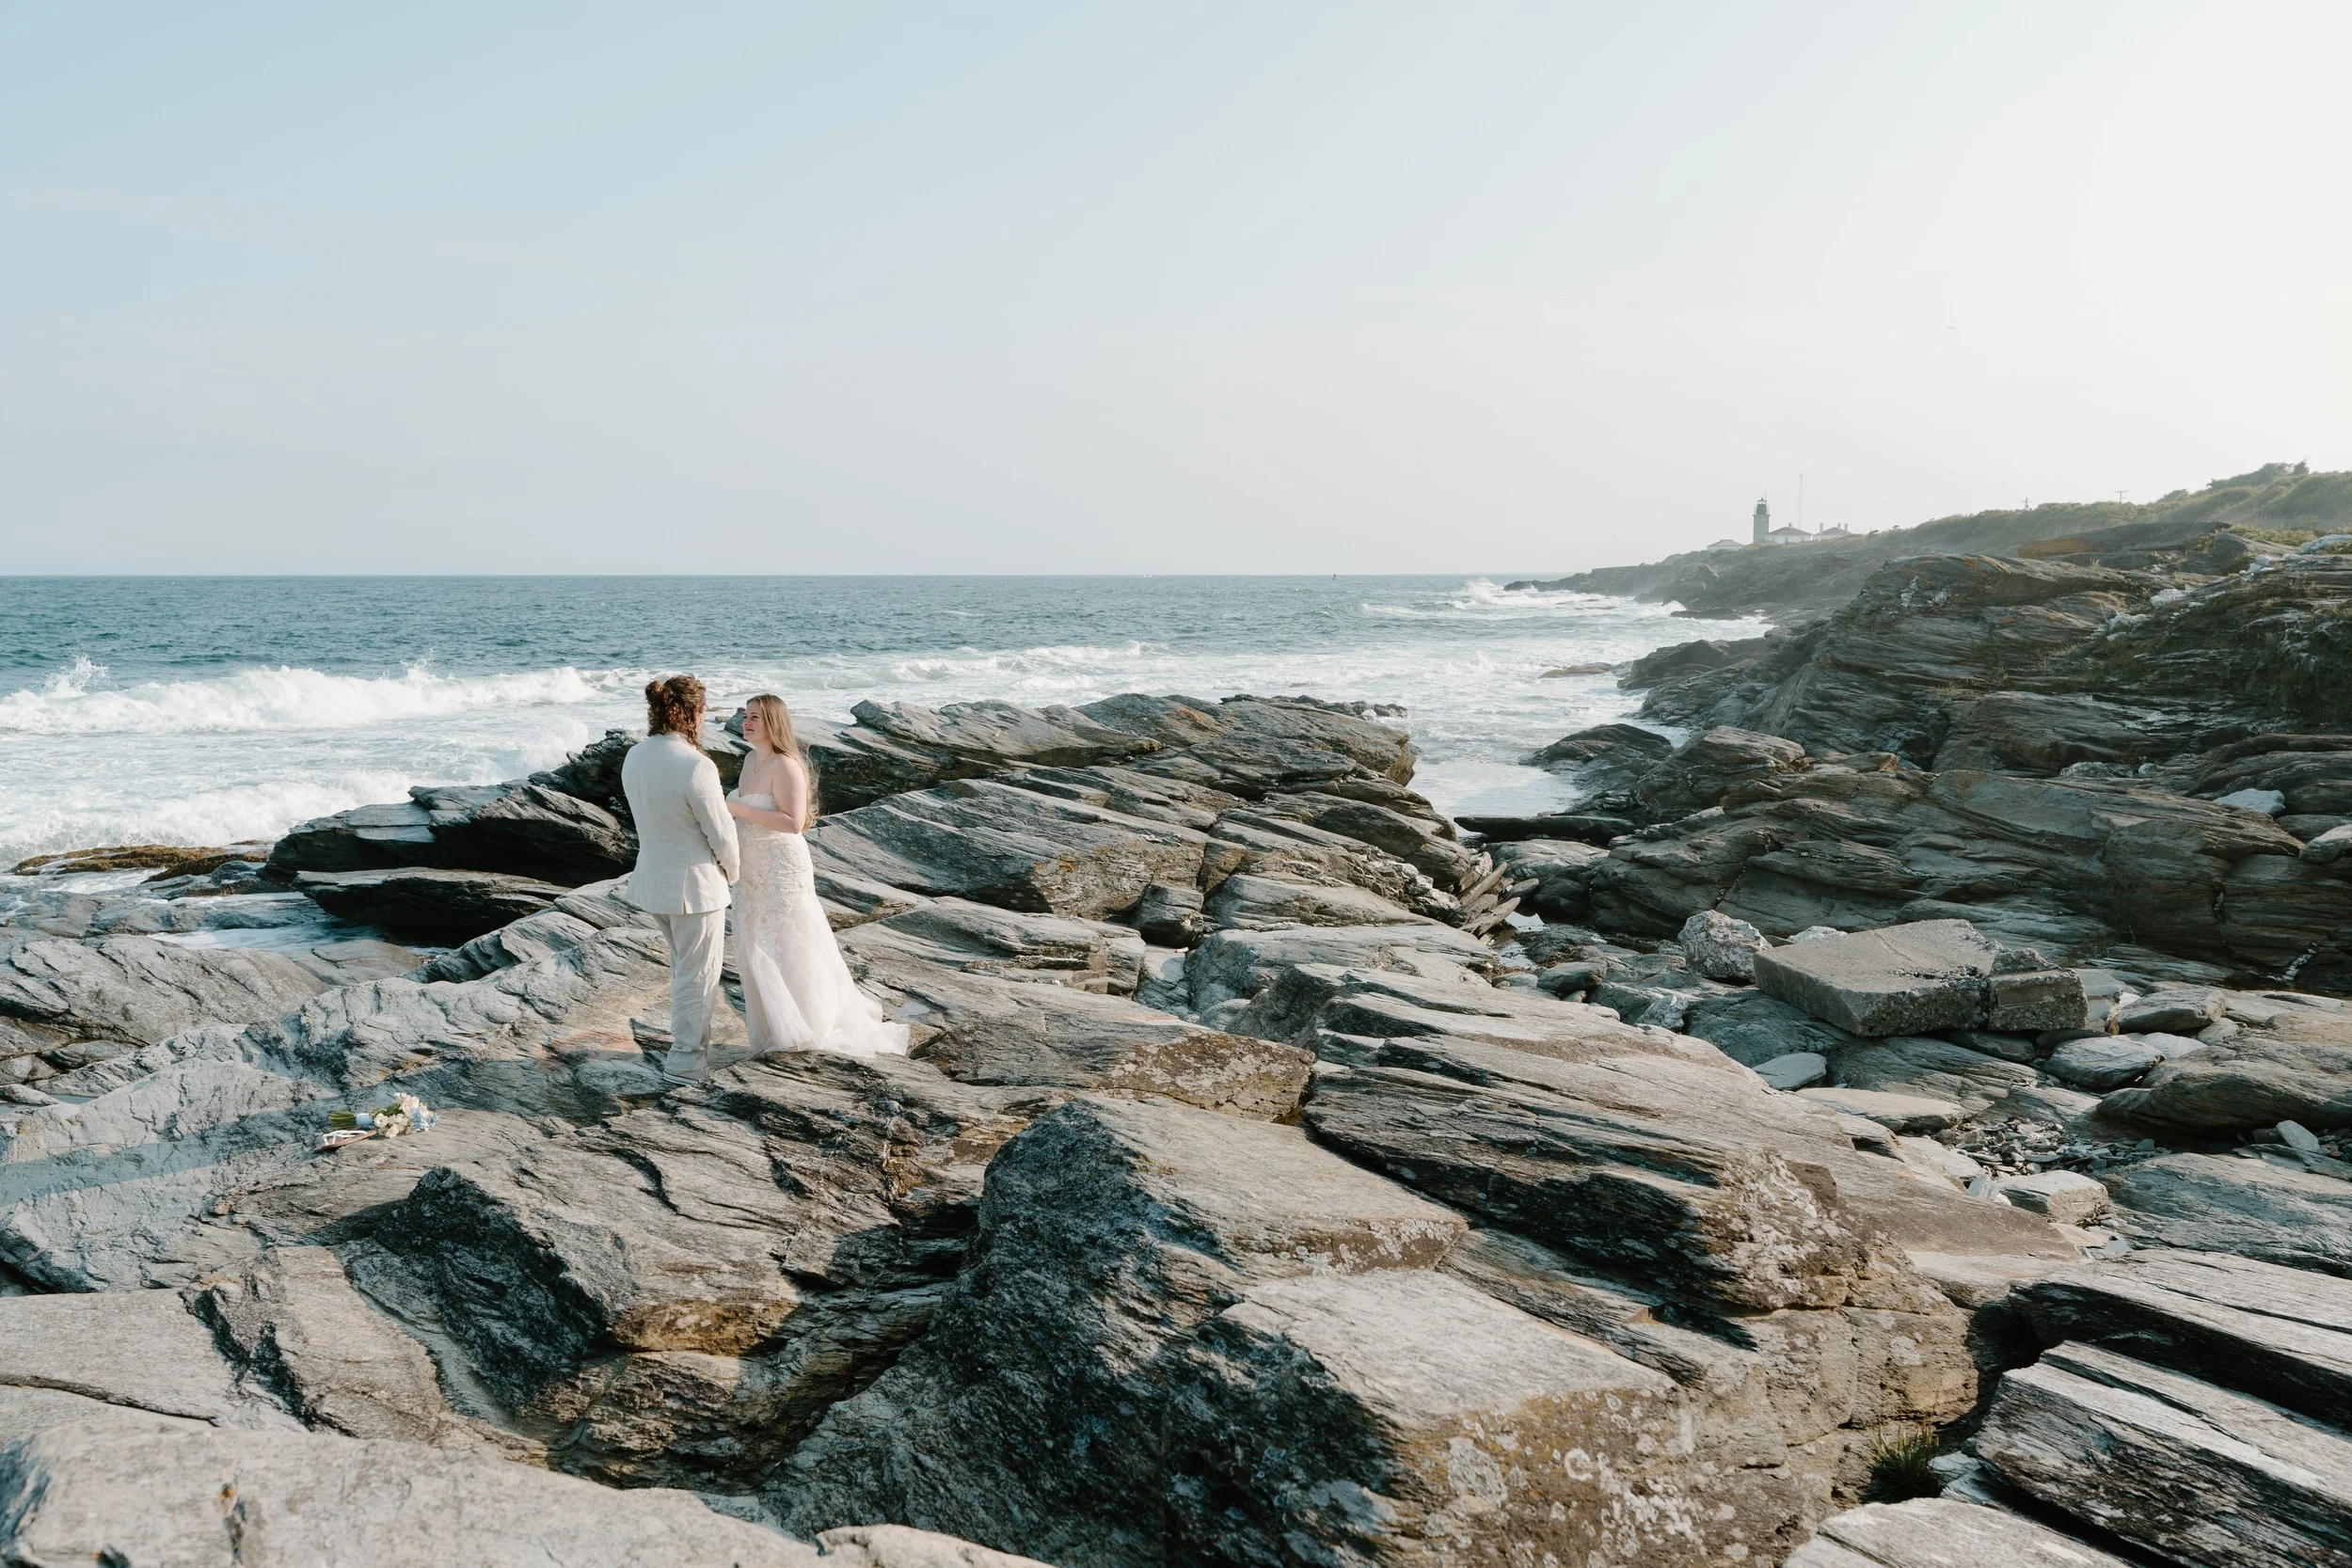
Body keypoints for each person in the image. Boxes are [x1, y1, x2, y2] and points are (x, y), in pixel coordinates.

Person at [725, 693, 910, 1059]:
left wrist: (738, 808)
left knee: (793, 944)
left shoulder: (786, 765)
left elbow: (793, 823)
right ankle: (772, 1030)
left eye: (756, 717)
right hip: (751, 868)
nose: (747, 722)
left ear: (774, 723)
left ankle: (809, 1025)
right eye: (746, 716)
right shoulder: (749, 760)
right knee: (752, 944)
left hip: (781, 866)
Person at [620, 674, 739, 1084]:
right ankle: (685, 1062)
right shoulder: (695, 764)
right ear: (693, 712)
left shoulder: (634, 754)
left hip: (653, 882)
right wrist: (733, 872)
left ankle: (684, 1052)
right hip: (696, 888)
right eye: (704, 711)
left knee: (683, 970)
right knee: (697, 976)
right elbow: (720, 832)